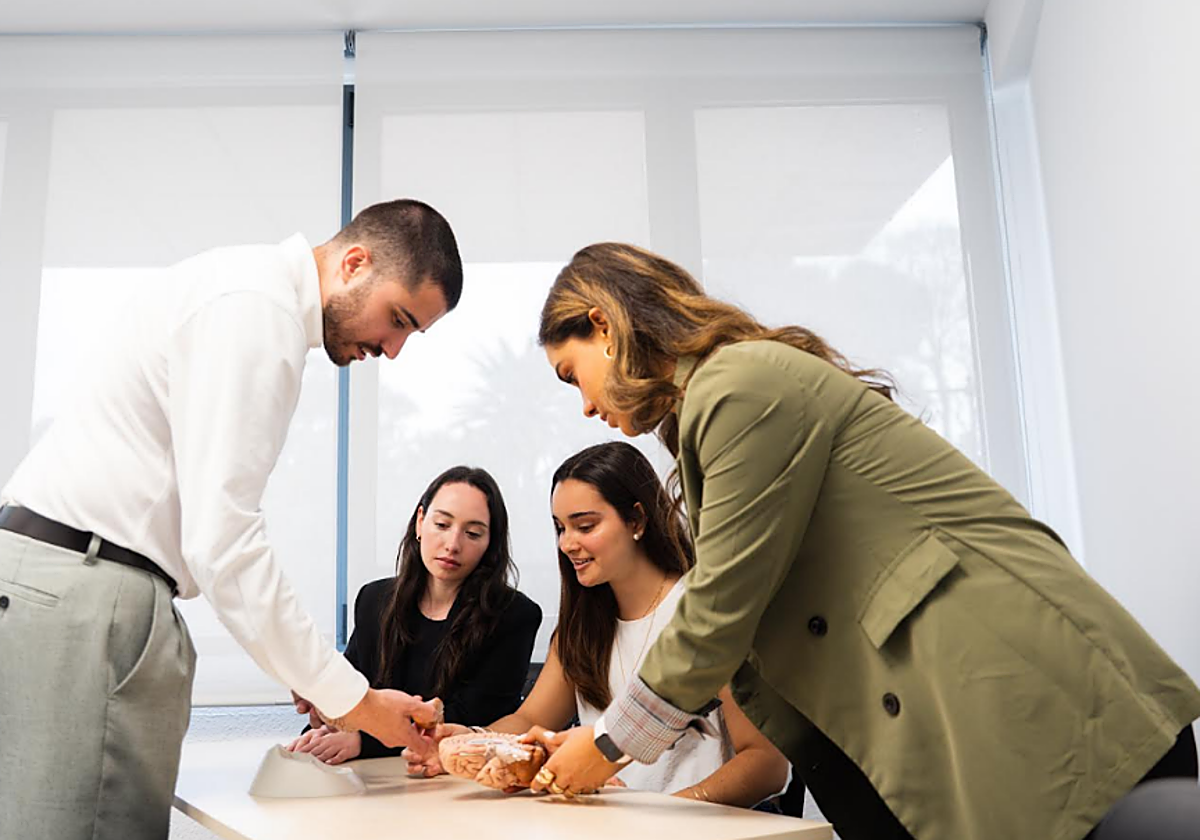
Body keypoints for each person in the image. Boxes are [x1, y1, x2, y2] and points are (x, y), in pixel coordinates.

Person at [528, 242, 1200, 840]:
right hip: (979, 714)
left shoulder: (738, 385)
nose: (584, 404)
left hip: (1030, 696)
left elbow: (724, 602)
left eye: (570, 374)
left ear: (603, 326)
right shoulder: (727, 395)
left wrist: (608, 744)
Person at [0, 199, 460, 840]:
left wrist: (309, 675)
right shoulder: (260, 312)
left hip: (59, 578)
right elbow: (223, 540)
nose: (393, 349)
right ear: (355, 263)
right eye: (399, 319)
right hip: (91, 591)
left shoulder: (237, 287)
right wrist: (357, 701)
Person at [406, 442, 789, 808]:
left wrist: (662, 815)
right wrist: (471, 740)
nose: (567, 544)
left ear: (637, 520)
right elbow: (531, 719)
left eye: (585, 526)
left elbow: (767, 766)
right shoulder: (583, 626)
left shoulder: (706, 615)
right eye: (560, 528)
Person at [287, 466, 541, 764]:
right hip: (372, 777)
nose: (453, 545)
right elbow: (354, 694)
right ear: (420, 522)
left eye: (473, 533)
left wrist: (363, 741)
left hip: (455, 776)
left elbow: (473, 717)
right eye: (442, 524)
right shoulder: (374, 600)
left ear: (490, 543)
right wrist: (324, 719)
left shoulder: (514, 616)